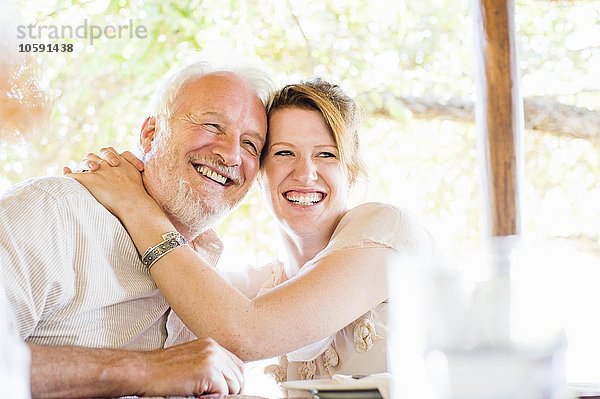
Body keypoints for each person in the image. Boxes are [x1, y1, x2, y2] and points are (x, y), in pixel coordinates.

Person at [69, 78, 437, 381]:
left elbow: (246, 333)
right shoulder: (259, 287)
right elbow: (167, 310)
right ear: (259, 172)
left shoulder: (386, 229)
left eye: (326, 154)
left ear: (351, 171)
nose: (305, 173)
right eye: (283, 153)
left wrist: (134, 204)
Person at [0, 57, 272, 397]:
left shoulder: (208, 264)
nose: (231, 155)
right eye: (212, 126)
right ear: (151, 132)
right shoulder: (51, 212)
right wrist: (144, 369)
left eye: (250, 144)